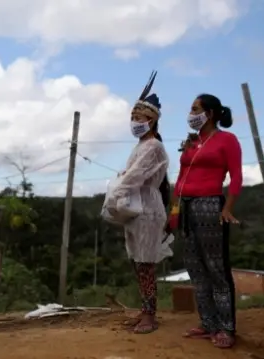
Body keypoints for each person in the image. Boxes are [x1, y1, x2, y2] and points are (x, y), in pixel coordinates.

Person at [171, 93, 242, 349]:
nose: (191, 114)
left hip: (210, 206)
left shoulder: (227, 140)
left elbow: (236, 177)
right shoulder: (191, 142)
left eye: (195, 109)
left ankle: (227, 327)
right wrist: (174, 211)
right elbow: (180, 178)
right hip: (186, 208)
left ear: (210, 114)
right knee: (195, 269)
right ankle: (208, 323)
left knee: (216, 269)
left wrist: (228, 208)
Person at [113, 71, 170, 334]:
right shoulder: (140, 146)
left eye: (139, 117)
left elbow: (135, 176)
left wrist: (116, 192)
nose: (134, 121)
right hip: (137, 208)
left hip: (147, 208)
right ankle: (146, 309)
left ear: (152, 120)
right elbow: (130, 175)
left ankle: (150, 315)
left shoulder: (153, 147)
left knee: (146, 263)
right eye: (133, 117)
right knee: (138, 262)